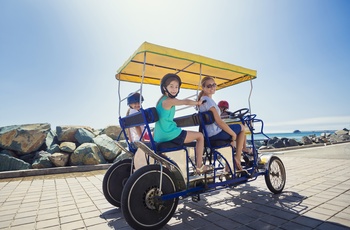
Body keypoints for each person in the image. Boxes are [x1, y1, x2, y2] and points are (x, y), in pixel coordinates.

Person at [154, 73, 212, 174]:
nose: (174, 89)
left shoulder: (160, 101)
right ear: (164, 88)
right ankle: (199, 167)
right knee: (200, 136)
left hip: (159, 137)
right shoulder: (169, 101)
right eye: (171, 86)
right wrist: (197, 103)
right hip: (170, 134)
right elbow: (185, 102)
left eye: (176, 87)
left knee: (191, 137)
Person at [198, 76, 249, 171]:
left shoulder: (202, 100)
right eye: (209, 86)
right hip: (215, 134)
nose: (212, 87)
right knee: (242, 127)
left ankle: (228, 166)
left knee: (232, 132)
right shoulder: (208, 102)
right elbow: (220, 122)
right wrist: (233, 134)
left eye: (214, 85)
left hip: (208, 134)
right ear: (203, 88)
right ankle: (238, 158)